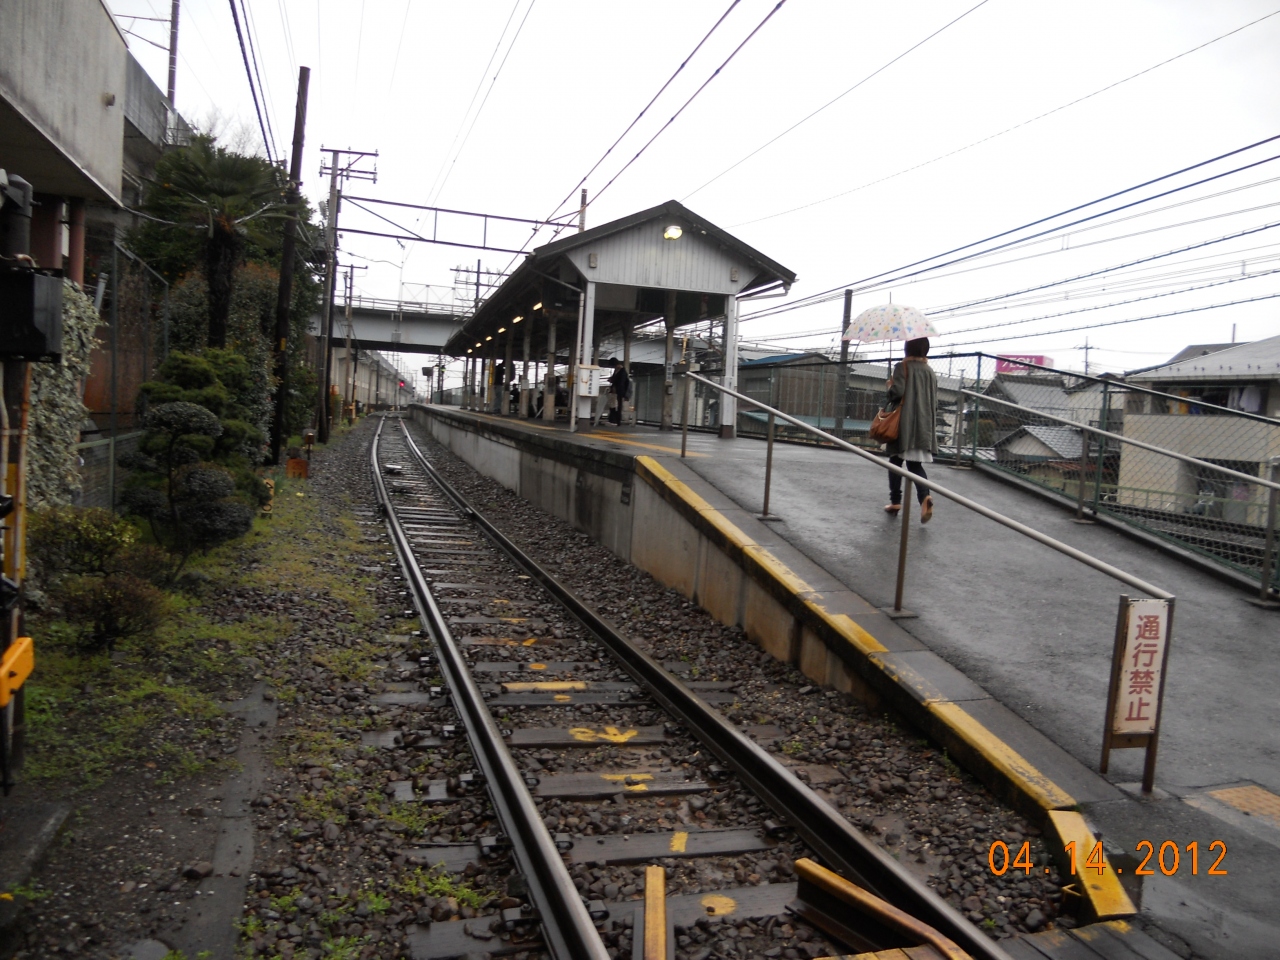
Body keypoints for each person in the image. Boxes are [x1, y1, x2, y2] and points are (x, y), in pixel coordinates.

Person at [883, 337, 938, 523]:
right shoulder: (930, 372)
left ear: (907, 348)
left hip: (904, 424)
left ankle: (895, 502)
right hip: (923, 425)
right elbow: (935, 401)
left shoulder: (902, 367)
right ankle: (925, 497)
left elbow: (897, 393)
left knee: (895, 461)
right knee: (914, 465)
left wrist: (890, 387)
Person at [607, 359, 630, 426]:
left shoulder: (623, 372)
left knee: (617, 406)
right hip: (615, 391)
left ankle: (616, 421)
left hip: (619, 391)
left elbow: (621, 382)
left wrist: (615, 385)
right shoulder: (617, 370)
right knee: (613, 405)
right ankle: (612, 420)